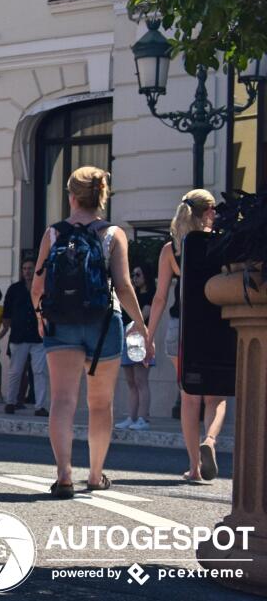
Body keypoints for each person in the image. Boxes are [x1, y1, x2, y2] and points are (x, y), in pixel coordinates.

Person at [33, 166, 150, 498]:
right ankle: (96, 475)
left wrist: (41, 317)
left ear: (71, 197)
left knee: (62, 401)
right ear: (103, 196)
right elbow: (125, 288)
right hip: (104, 324)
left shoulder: (53, 233)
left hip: (61, 325)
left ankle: (64, 475)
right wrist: (142, 329)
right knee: (100, 404)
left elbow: (37, 285)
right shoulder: (113, 234)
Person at [147, 189, 225, 484]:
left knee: (189, 399)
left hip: (181, 329)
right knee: (215, 397)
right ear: (207, 213)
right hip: (215, 327)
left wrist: (148, 336)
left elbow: (159, 298)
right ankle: (211, 441)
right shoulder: (219, 244)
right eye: (214, 210)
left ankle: (194, 468)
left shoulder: (172, 249)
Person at [3, 256, 47, 416]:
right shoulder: (14, 289)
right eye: (25, 269)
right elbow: (6, 314)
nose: (27, 271)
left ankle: (40, 406)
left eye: (30, 268)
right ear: (22, 271)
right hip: (18, 336)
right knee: (15, 371)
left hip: (38, 336)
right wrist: (4, 333)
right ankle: (10, 402)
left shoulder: (43, 288)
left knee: (39, 371)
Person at [116, 262, 155, 431]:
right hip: (128, 336)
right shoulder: (135, 294)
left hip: (140, 337)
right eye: (133, 275)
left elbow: (144, 316)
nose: (134, 278)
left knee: (141, 381)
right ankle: (131, 417)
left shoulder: (150, 294)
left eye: (138, 275)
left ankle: (143, 418)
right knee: (131, 381)